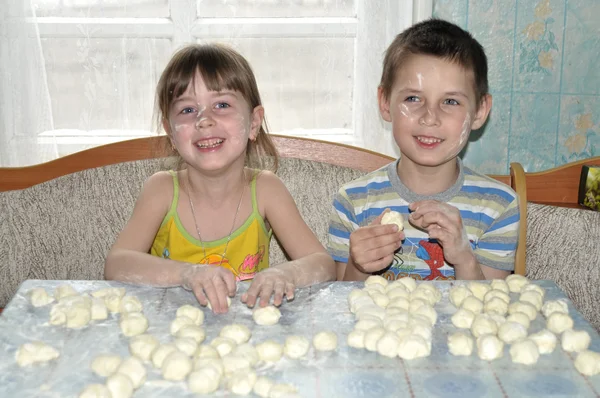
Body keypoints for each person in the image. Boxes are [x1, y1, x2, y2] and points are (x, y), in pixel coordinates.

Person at [105, 43, 336, 313]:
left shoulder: (266, 189)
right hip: (171, 336)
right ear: (170, 132)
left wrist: (286, 274)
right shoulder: (162, 189)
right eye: (188, 110)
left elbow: (323, 264)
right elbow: (117, 264)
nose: (204, 120)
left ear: (253, 122)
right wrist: (186, 274)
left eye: (222, 104)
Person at [328, 19, 519, 282]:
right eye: (413, 98)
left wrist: (463, 256)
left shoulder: (498, 206)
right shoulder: (354, 201)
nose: (430, 118)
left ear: (480, 112)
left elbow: (492, 313)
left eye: (450, 101)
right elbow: (341, 305)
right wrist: (359, 265)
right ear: (385, 102)